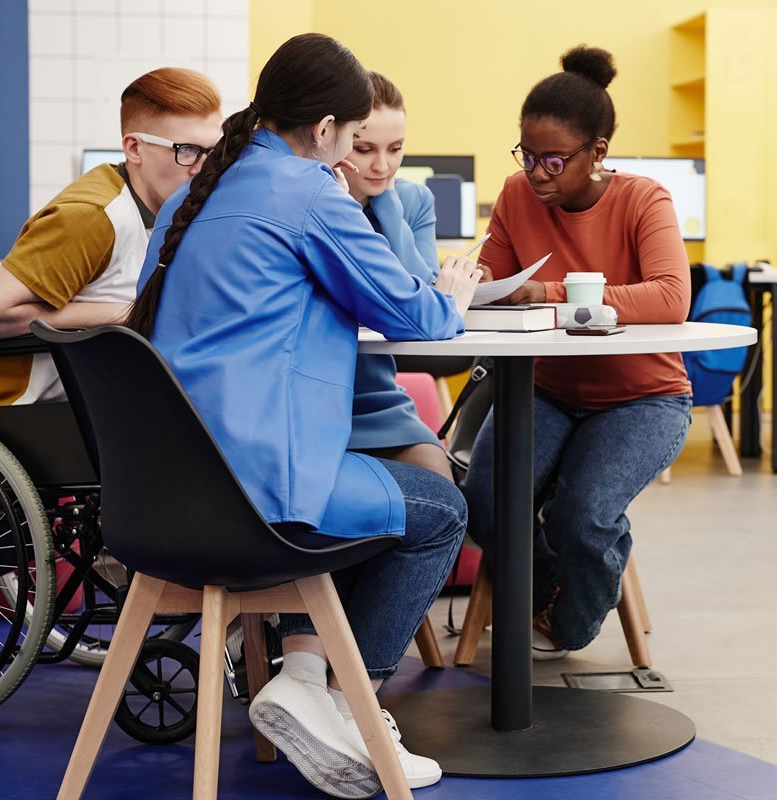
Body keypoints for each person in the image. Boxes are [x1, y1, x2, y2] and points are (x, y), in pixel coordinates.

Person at [127, 34, 481, 797]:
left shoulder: (194, 193)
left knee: (380, 482)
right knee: (440, 509)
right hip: (258, 499)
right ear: (324, 131)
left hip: (157, 501)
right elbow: (410, 311)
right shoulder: (309, 190)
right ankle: (347, 706)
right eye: (354, 141)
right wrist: (453, 296)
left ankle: (307, 679)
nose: (358, 160)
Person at [462, 46, 692, 660]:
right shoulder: (517, 196)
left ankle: (572, 623)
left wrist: (550, 293)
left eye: (554, 160)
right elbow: (496, 280)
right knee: (483, 502)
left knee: (584, 516)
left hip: (644, 399)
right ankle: (548, 594)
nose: (537, 173)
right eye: (528, 156)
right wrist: (463, 280)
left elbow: (671, 298)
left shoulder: (645, 200)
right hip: (548, 390)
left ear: (598, 152)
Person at [0, 67, 222, 406]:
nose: (202, 168)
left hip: (89, 406)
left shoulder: (167, 212)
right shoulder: (93, 216)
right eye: (186, 150)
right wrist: (125, 314)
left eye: (213, 151)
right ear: (134, 148)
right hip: (24, 415)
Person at [339, 72, 452, 480]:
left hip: (377, 395)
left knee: (442, 485)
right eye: (365, 149)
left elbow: (421, 296)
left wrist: (387, 203)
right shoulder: (315, 199)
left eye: (396, 149)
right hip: (324, 392)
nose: (382, 165)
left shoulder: (413, 199)